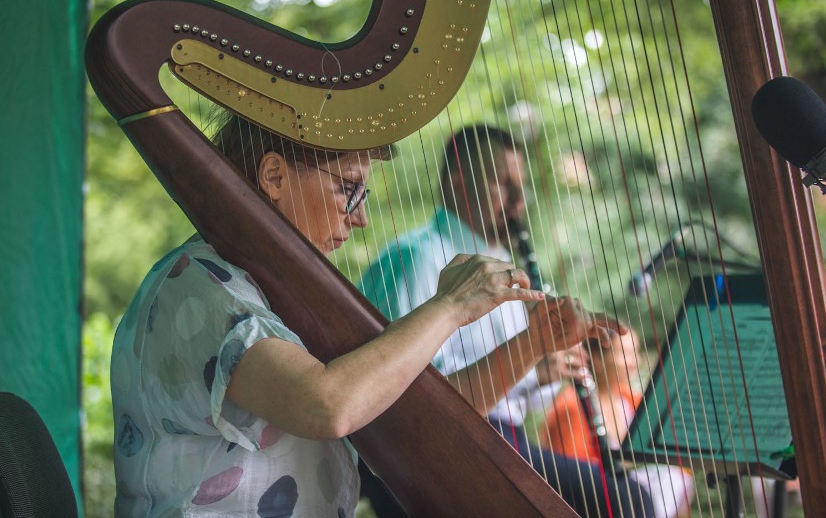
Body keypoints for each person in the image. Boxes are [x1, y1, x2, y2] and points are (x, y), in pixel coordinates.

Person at [109, 114, 622, 517]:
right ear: (273, 176)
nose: (360, 216)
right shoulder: (197, 285)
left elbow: (415, 420)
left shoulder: (277, 296)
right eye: (347, 187)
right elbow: (327, 405)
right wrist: (450, 307)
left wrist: (532, 344)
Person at [357, 125, 654, 517]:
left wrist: (549, 370)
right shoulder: (417, 257)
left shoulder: (507, 270)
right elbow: (415, 391)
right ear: (459, 180)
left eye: (522, 185)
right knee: (627, 501)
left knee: (625, 494)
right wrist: (532, 364)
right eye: (503, 183)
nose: (519, 199)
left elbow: (526, 400)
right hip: (444, 450)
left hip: (501, 440)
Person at [540, 331, 695, 518]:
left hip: (632, 501)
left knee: (675, 477)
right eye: (625, 354)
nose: (634, 362)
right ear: (596, 359)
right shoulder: (570, 406)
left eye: (635, 353)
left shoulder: (633, 400)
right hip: (596, 503)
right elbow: (573, 478)